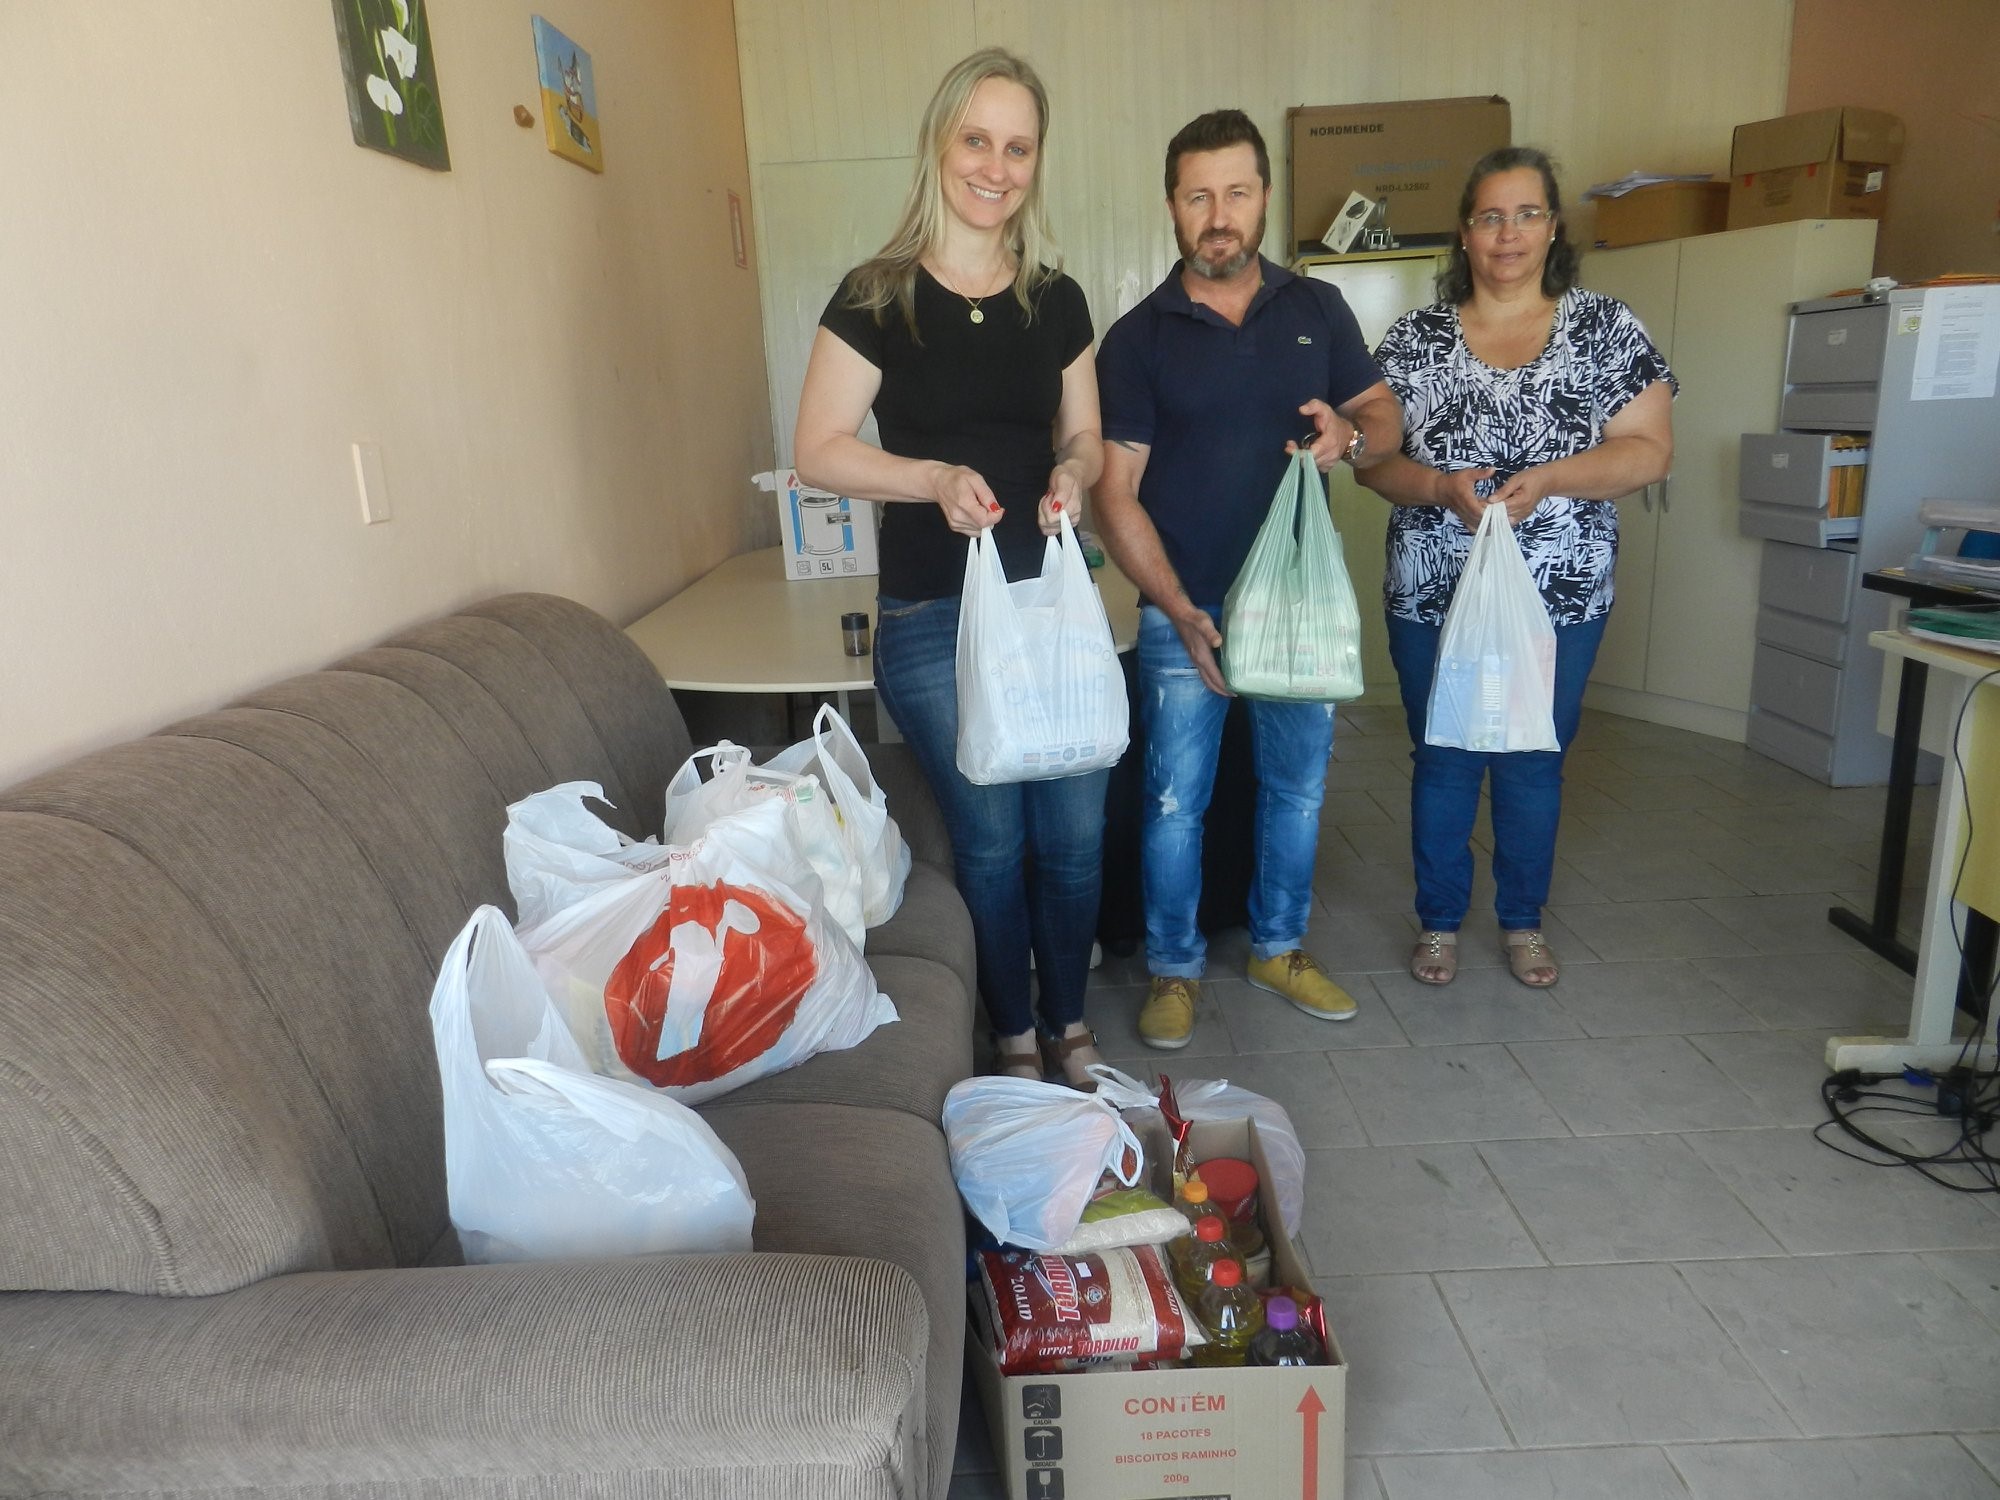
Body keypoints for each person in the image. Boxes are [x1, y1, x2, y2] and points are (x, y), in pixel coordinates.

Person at [793, 48, 1109, 1088]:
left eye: (1016, 147)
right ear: (940, 145)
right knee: (988, 842)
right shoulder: (877, 296)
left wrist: (1070, 468)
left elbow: (1088, 438)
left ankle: (1069, 1026)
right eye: (976, 139)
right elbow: (820, 448)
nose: (995, 166)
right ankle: (1011, 1036)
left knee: (1070, 838)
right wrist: (930, 477)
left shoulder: (1054, 301)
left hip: (1049, 610)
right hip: (933, 614)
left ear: (1034, 163)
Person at [1093, 110, 1403, 1051]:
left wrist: (1352, 437)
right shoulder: (1138, 339)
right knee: (1173, 803)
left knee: (1296, 791)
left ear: (1264, 197)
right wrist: (1177, 607)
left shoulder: (1316, 312)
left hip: (1298, 609)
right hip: (1183, 611)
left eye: (1235, 192)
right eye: (1198, 196)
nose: (1217, 215)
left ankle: (1278, 945)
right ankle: (1175, 968)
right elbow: (1117, 493)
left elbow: (1382, 417)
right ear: (1173, 207)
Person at [1356, 146, 1675, 987]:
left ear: (1553, 226)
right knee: (1445, 753)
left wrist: (1553, 479)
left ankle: (1523, 920)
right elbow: (1372, 463)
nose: (1508, 234)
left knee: (1534, 755)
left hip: (1560, 593)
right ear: (1464, 233)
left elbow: (1648, 454)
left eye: (1526, 214)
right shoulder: (1414, 340)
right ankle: (1438, 923)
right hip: (1434, 590)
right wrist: (1438, 487)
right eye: (1490, 216)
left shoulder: (1608, 329)